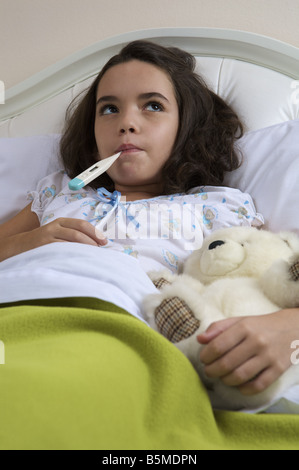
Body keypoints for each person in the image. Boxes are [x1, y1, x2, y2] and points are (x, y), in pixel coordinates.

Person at [0, 40, 298, 403]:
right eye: (109, 109)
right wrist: (27, 243)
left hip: (121, 330)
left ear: (186, 127)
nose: (126, 123)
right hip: (19, 306)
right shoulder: (59, 193)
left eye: (153, 106)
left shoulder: (218, 207)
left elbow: (273, 280)